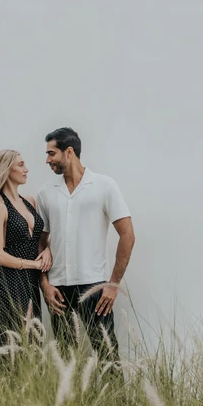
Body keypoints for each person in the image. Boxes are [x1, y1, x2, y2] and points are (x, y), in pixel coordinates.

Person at [36, 128, 135, 360]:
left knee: (107, 357)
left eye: (52, 153)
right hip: (57, 290)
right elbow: (39, 244)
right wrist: (44, 285)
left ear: (69, 152)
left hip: (95, 288)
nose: (47, 160)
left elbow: (128, 235)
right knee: (65, 361)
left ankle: (116, 398)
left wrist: (113, 285)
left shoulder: (105, 186)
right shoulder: (45, 193)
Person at [0, 150, 52, 349]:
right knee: (5, 344)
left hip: (29, 282)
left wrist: (47, 251)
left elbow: (41, 237)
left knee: (30, 343)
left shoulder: (30, 201)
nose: (26, 169)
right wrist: (34, 264)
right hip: (6, 282)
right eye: (20, 164)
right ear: (5, 169)